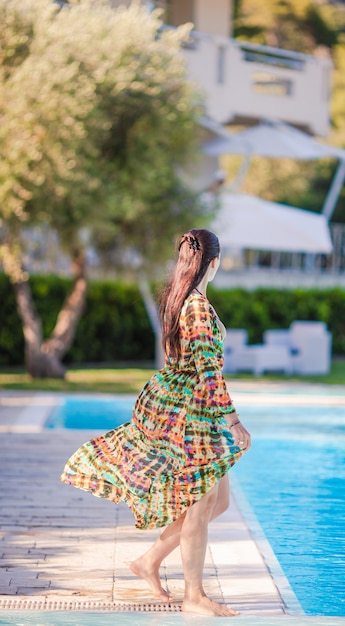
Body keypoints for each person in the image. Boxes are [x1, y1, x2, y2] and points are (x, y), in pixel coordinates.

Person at [60, 228, 251, 617]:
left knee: (219, 500)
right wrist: (234, 423)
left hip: (187, 410)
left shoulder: (182, 297)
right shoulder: (196, 305)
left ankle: (149, 561)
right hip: (190, 415)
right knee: (200, 505)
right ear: (212, 263)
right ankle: (193, 597)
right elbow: (209, 371)